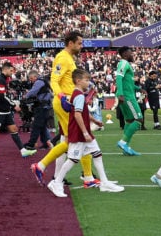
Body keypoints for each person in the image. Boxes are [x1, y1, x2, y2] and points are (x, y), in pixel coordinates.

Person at [31, 31, 96, 188]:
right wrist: (63, 97)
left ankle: (54, 174)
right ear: (70, 43)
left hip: (70, 101)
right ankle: (87, 177)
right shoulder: (62, 58)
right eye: (79, 43)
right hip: (66, 103)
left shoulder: (69, 58)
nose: (82, 46)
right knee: (79, 138)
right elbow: (54, 80)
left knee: (66, 141)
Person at [46, 69, 124, 198]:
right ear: (78, 81)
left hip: (83, 132)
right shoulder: (79, 95)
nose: (89, 82)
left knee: (97, 154)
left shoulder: (77, 94)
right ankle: (57, 182)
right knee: (73, 159)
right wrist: (84, 132)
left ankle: (104, 182)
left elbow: (82, 113)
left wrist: (95, 122)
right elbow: (77, 114)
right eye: (86, 80)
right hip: (79, 133)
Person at [114, 46, 142, 156]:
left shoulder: (126, 64)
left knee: (130, 120)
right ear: (125, 54)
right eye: (131, 53)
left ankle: (126, 148)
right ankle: (123, 142)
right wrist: (121, 93)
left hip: (125, 95)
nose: (133, 55)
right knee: (138, 119)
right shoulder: (124, 63)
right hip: (127, 97)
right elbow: (119, 78)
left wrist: (139, 89)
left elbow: (128, 82)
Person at [21, 71, 55, 154]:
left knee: (36, 126)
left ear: (35, 76)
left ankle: (31, 144)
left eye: (31, 78)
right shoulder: (44, 81)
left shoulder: (38, 82)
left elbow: (33, 92)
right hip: (46, 106)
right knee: (42, 126)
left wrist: (26, 96)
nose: (31, 80)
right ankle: (48, 143)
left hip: (42, 107)